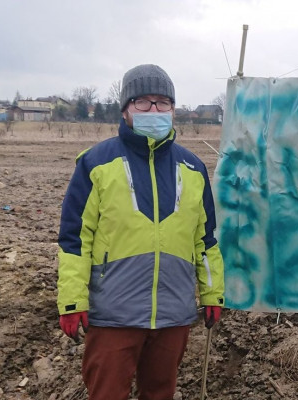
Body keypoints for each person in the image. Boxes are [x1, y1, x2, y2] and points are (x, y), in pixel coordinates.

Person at [56, 64, 225, 399]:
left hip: (173, 314)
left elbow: (205, 240)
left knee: (161, 392)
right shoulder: (96, 163)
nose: (154, 110)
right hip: (113, 315)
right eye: (143, 102)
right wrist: (72, 301)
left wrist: (211, 292)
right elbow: (75, 238)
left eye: (163, 102)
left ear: (173, 109)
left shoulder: (193, 169)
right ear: (126, 109)